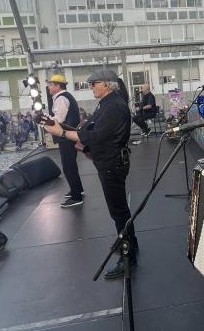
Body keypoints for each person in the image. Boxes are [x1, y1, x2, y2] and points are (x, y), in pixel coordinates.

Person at [44, 68, 136, 279]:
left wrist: (63, 132)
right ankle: (127, 244)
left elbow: (96, 135)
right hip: (108, 162)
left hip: (112, 164)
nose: (91, 86)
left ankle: (128, 256)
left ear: (107, 84)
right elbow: (91, 130)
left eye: (94, 83)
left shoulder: (113, 106)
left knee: (119, 211)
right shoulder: (108, 104)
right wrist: (67, 132)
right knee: (119, 210)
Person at [44, 74, 85, 208]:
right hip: (69, 135)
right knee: (71, 165)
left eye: (51, 84)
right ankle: (77, 189)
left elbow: (58, 120)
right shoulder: (65, 96)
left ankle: (76, 196)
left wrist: (45, 123)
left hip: (66, 137)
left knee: (68, 166)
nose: (49, 87)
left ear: (57, 86)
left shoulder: (61, 98)